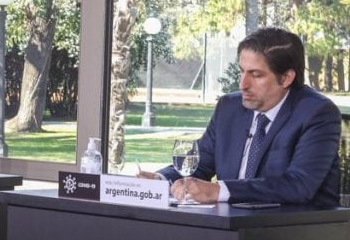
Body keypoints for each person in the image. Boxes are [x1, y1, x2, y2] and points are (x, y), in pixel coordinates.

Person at [139, 28, 341, 207]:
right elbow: (200, 163)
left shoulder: (317, 113)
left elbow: (298, 185)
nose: (243, 84)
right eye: (242, 71)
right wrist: (160, 180)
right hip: (230, 231)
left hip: (295, 234)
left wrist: (220, 191)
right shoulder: (229, 107)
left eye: (256, 75)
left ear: (286, 78)